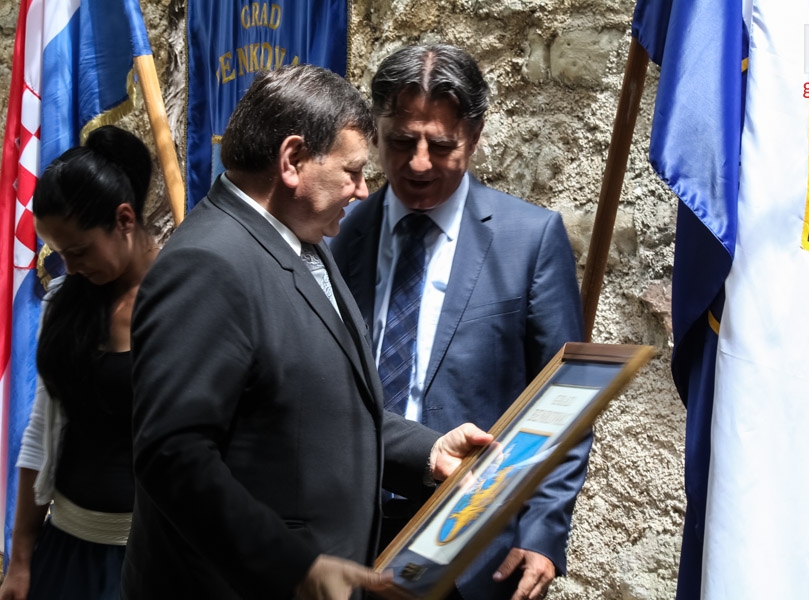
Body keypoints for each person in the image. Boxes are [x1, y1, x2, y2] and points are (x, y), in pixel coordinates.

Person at [121, 64, 491, 600]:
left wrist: (428, 452)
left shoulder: (299, 239)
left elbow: (316, 410)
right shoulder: (208, 265)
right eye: (352, 171)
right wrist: (294, 566)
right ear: (292, 160)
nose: (363, 190)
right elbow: (173, 456)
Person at [330, 44, 590, 600]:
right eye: (402, 142)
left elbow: (564, 401)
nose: (419, 163)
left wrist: (543, 531)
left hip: (473, 548)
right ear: (375, 132)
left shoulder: (529, 240)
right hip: (352, 536)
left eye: (441, 145)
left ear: (474, 135)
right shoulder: (339, 233)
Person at [0, 126, 157, 600]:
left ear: (124, 219)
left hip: (151, 562)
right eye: (60, 254)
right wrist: (20, 559)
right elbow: (41, 433)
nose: (70, 267)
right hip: (65, 555)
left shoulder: (181, 302)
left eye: (80, 251)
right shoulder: (65, 303)